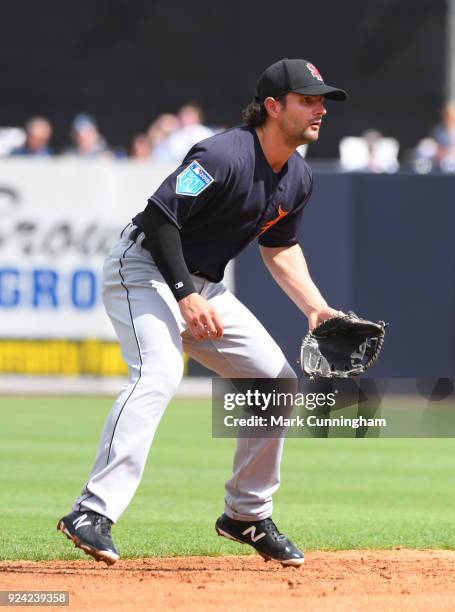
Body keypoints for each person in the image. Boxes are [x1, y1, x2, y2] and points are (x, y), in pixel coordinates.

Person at [57, 58, 347, 567]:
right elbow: (160, 217)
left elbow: (279, 249)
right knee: (160, 372)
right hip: (143, 267)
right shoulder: (220, 155)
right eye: (308, 99)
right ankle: (91, 510)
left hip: (202, 286)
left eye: (322, 99)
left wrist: (316, 308)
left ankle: (246, 515)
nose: (320, 109)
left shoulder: (297, 176)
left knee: (275, 381)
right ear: (273, 107)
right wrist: (183, 295)